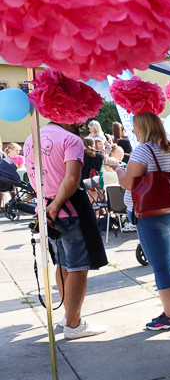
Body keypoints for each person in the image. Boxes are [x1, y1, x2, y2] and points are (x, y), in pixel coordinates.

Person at [24, 119, 108, 339]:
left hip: (48, 212)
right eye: (78, 120)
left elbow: (33, 177)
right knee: (77, 268)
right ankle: (73, 324)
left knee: (62, 264)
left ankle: (69, 317)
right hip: (68, 212)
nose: (81, 124)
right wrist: (56, 204)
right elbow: (71, 178)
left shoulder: (31, 137)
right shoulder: (71, 139)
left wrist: (46, 205)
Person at [117, 111, 170, 330]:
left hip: (151, 215)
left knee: (161, 267)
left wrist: (117, 169)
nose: (133, 131)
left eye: (135, 127)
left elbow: (128, 183)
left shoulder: (142, 151)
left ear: (144, 128)